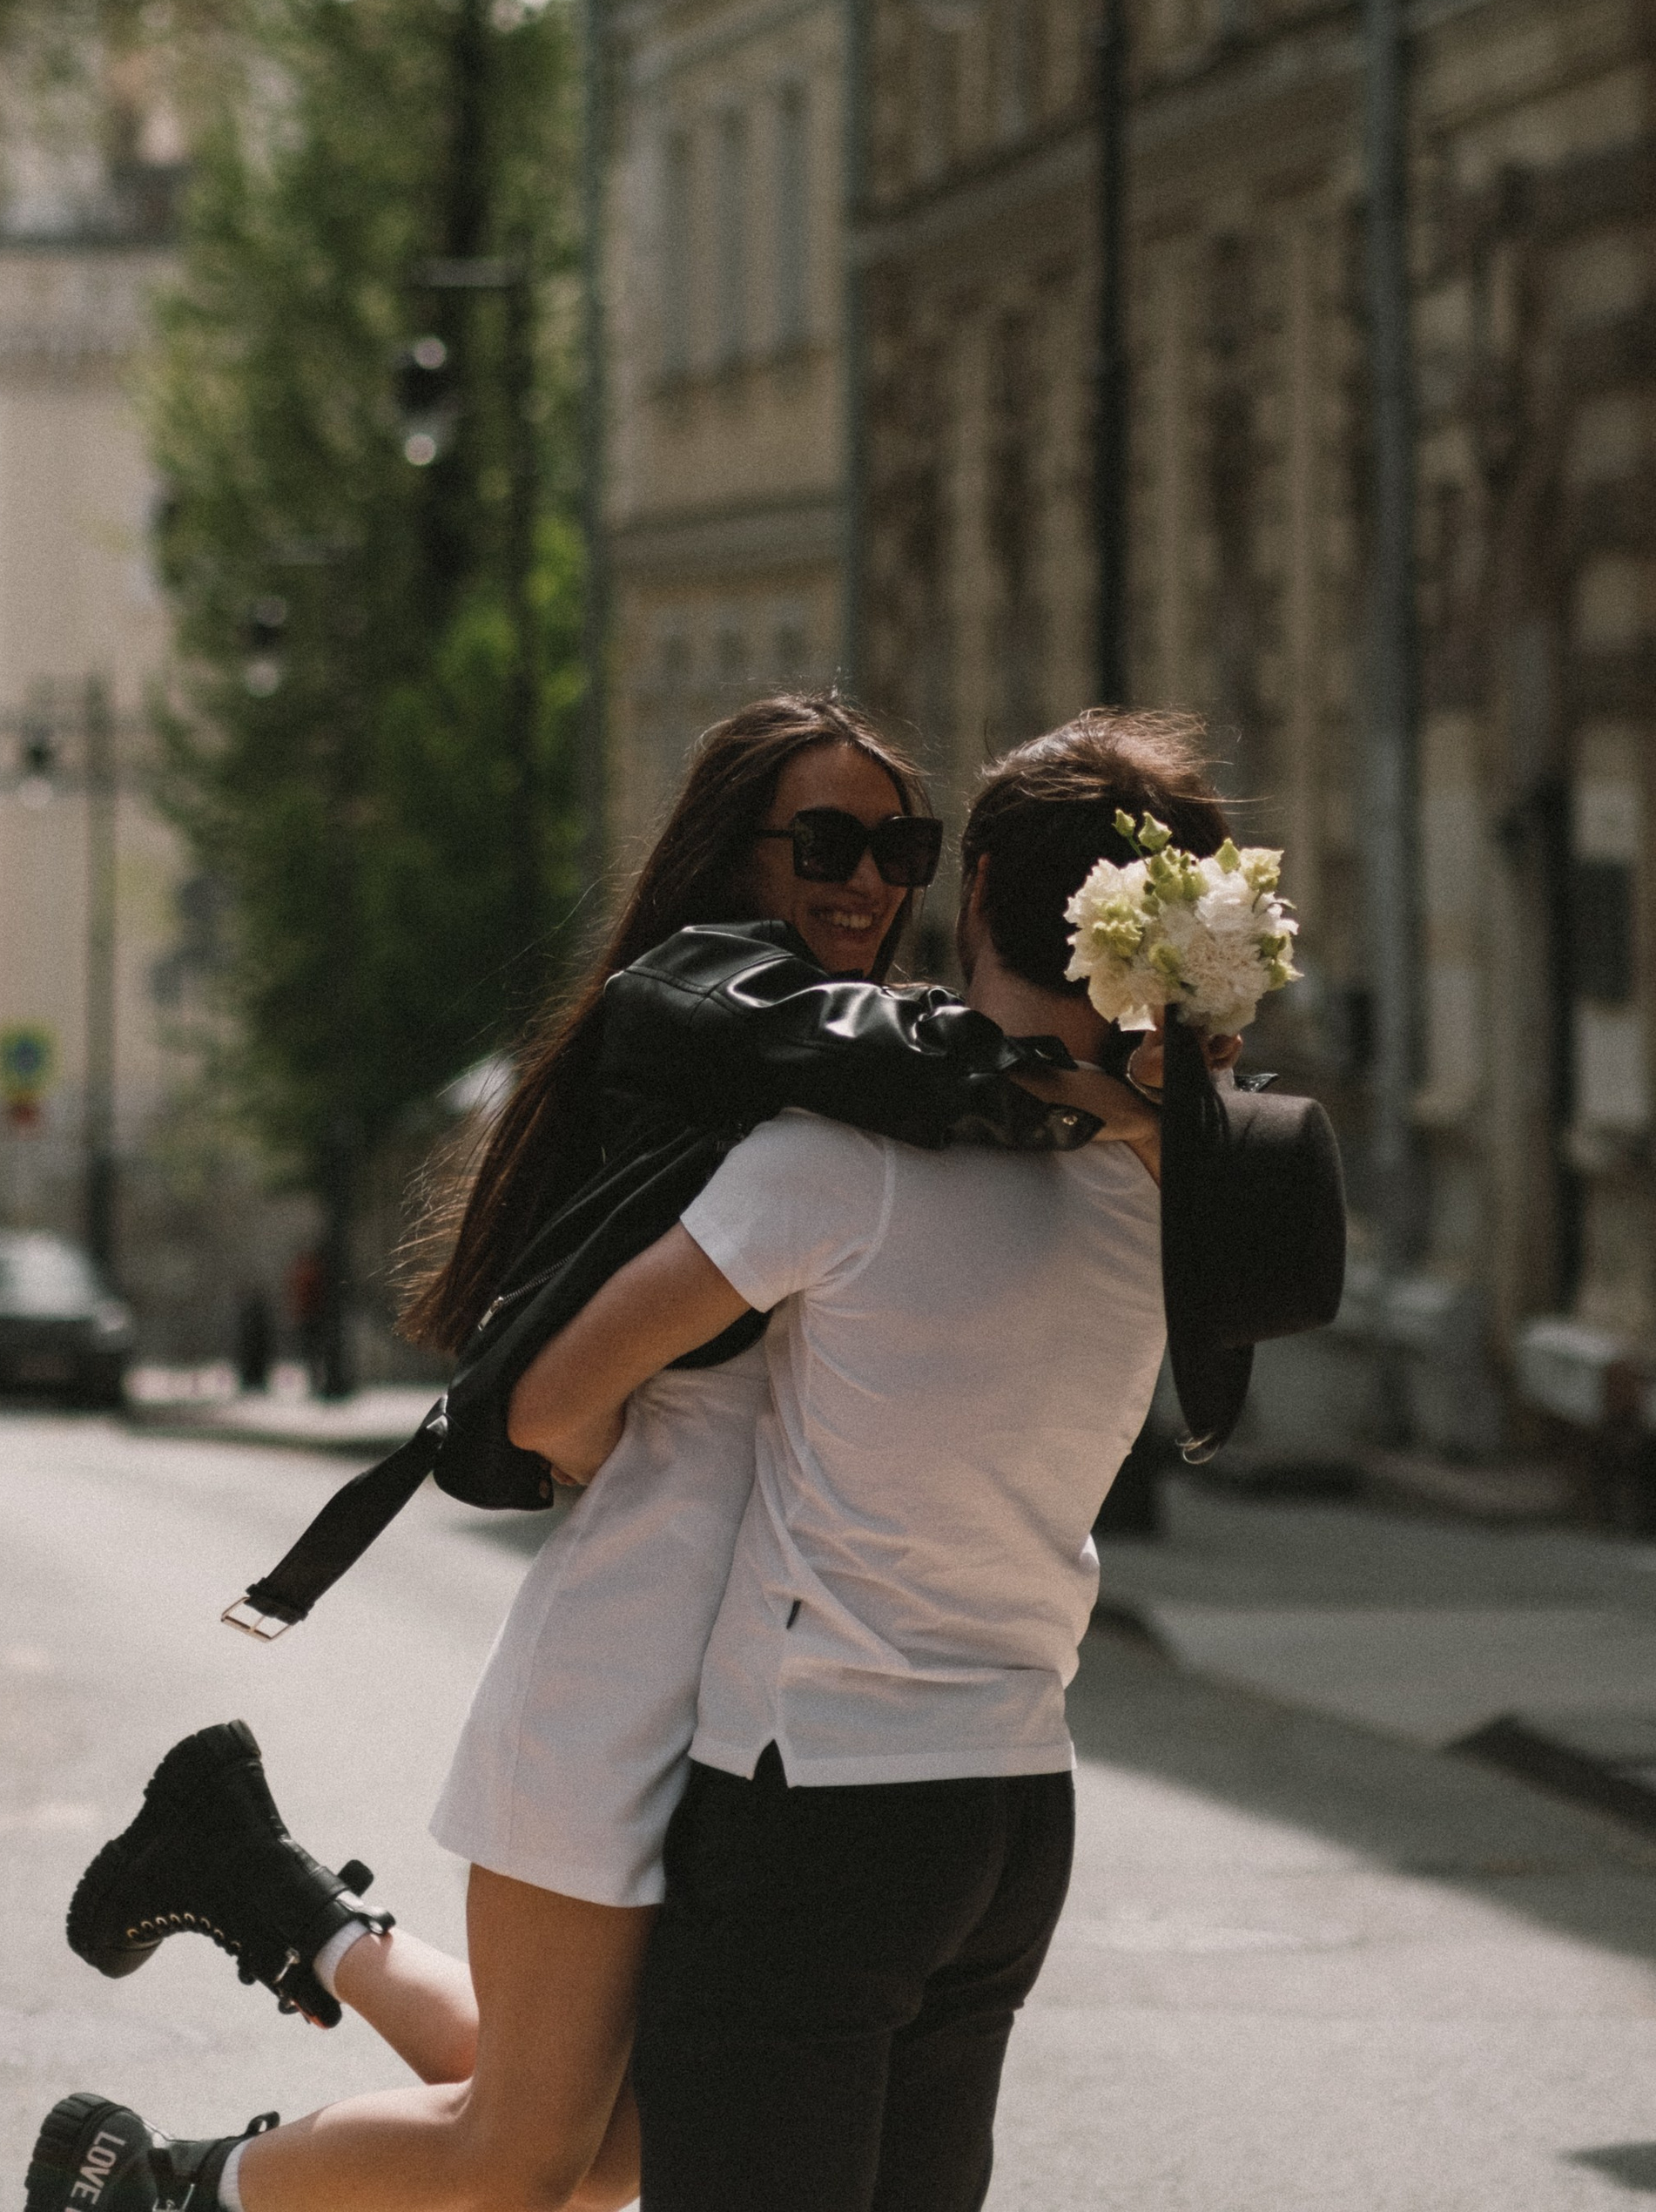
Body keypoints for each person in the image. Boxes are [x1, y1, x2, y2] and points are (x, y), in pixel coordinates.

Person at [22, 695, 1168, 2212]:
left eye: (902, 844)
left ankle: (273, 1893)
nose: (869, 879)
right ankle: (167, 2188)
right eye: (825, 840)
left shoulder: (888, 1080)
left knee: (612, 2140)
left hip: (777, 1697)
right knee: (528, 2154)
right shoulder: (728, 1048)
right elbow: (558, 1416)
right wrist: (681, 1457)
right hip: (637, 1655)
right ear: (731, 856)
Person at [517, 711, 1342, 2212]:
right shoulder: (1159, 1195)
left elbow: (545, 1403)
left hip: (815, 1796)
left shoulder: (833, 1164)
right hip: (1015, 1802)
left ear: (972, 902)